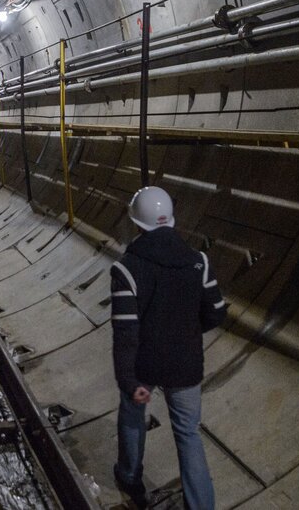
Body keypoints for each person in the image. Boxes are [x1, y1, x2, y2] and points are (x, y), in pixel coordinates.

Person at [111, 186, 227, 509]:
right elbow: (216, 312)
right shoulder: (198, 262)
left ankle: (130, 477)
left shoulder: (127, 269)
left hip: (144, 362)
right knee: (189, 433)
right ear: (171, 221)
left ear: (137, 223)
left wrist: (128, 381)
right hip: (186, 363)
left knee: (134, 415)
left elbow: (125, 332)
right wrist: (186, 330)